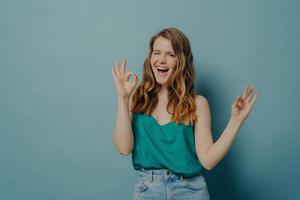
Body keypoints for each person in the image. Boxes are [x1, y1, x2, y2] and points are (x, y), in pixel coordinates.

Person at [111, 27, 257, 200]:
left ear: (181, 61)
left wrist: (236, 121)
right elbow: (123, 148)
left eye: (170, 54)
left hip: (190, 190)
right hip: (148, 190)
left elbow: (208, 161)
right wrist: (122, 98)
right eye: (156, 52)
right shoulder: (136, 99)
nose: (161, 60)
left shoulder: (198, 104)